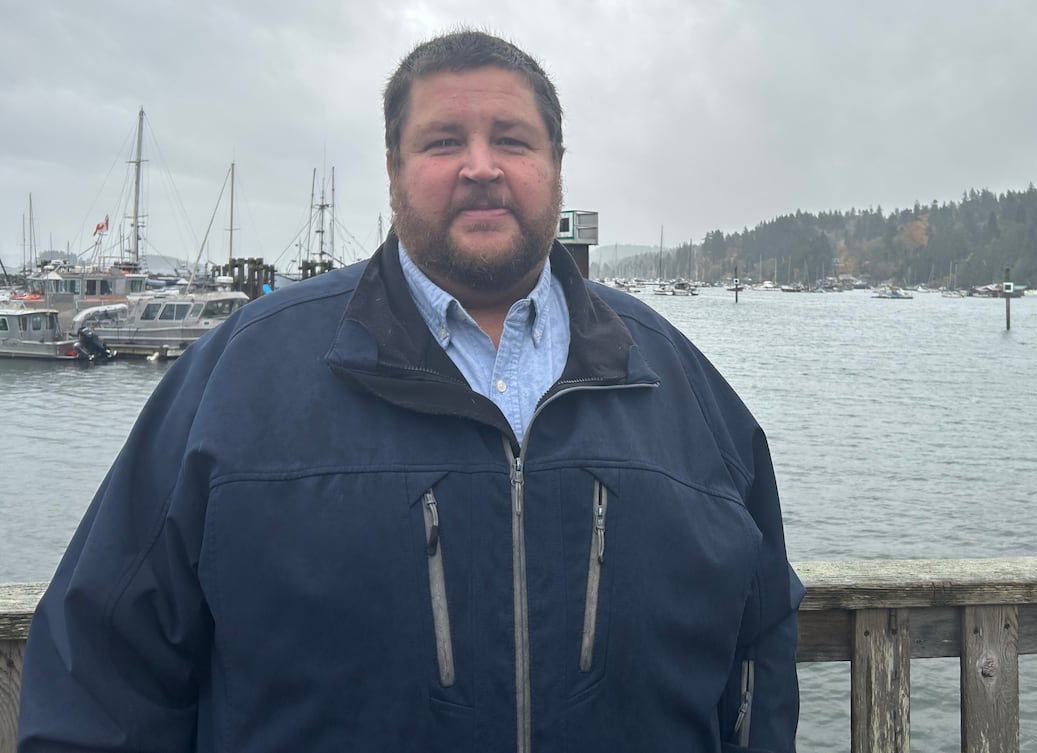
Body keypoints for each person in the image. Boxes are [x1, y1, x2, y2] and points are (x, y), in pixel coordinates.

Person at [19, 30, 802, 752]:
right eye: (443, 141)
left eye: (513, 140)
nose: (482, 166)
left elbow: (760, 642)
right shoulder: (240, 375)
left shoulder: (678, 379)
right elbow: (100, 664)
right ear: (394, 170)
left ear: (555, 166)